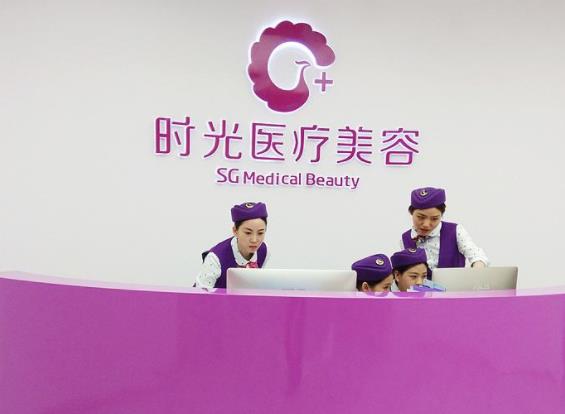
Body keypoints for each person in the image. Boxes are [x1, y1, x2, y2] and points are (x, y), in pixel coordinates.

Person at [401, 187, 488, 271]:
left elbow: (477, 255)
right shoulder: (405, 239)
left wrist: (477, 269)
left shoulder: (455, 231)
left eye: (434, 218)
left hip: (454, 281)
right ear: (411, 213)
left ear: (441, 215)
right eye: (421, 217)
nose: (426, 225)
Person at [195, 202, 268, 289]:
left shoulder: (263, 250)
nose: (254, 240)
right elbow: (200, 294)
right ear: (235, 231)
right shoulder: (215, 258)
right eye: (248, 233)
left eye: (260, 233)